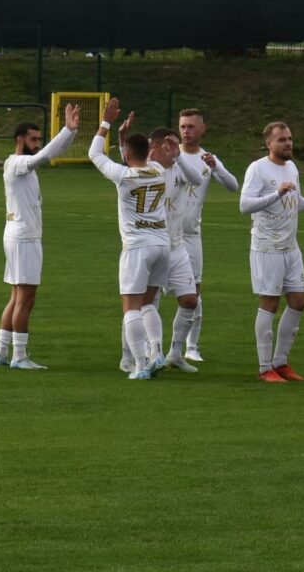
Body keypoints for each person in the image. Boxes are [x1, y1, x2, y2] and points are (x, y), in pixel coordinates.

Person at [88, 97, 178, 380]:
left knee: (131, 306)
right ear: (149, 150)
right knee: (149, 304)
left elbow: (94, 154)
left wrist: (106, 123)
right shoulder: (159, 171)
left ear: (126, 153)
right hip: (163, 244)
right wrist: (124, 137)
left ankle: (139, 365)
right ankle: (157, 352)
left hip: (137, 246)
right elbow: (140, 156)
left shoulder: (124, 176)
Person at [115, 119, 207, 374]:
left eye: (175, 144)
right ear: (153, 148)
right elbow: (126, 165)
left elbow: (196, 180)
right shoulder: (150, 169)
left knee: (190, 300)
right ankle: (131, 355)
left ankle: (174, 354)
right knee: (143, 302)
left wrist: (178, 157)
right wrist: (122, 140)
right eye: (168, 144)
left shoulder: (178, 168)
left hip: (176, 247)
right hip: (152, 243)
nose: (173, 147)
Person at [0, 104, 80, 369]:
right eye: (33, 138)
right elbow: (44, 156)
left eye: (39, 139)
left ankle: (1, 353)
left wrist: (71, 133)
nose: (37, 143)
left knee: (16, 296)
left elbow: (50, 154)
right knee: (26, 298)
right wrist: (68, 130)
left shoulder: (19, 165)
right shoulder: (19, 163)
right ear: (19, 140)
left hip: (17, 235)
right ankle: (19, 357)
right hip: (24, 238)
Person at [240, 121, 304, 382]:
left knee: (299, 302)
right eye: (281, 140)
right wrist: (276, 194)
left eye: (289, 138)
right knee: (270, 304)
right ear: (269, 144)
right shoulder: (258, 169)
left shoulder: (291, 167)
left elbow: (293, 201)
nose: (287, 143)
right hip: (267, 247)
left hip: (291, 247)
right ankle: (265, 368)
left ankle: (281, 362)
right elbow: (245, 205)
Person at [173, 108, 240, 364]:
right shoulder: (171, 155)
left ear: (202, 129)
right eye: (182, 126)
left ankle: (191, 346)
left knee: (194, 291)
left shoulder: (207, 158)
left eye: (191, 126)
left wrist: (216, 168)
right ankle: (149, 345)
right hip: (167, 234)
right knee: (153, 290)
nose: (186, 131)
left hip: (192, 235)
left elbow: (233, 186)